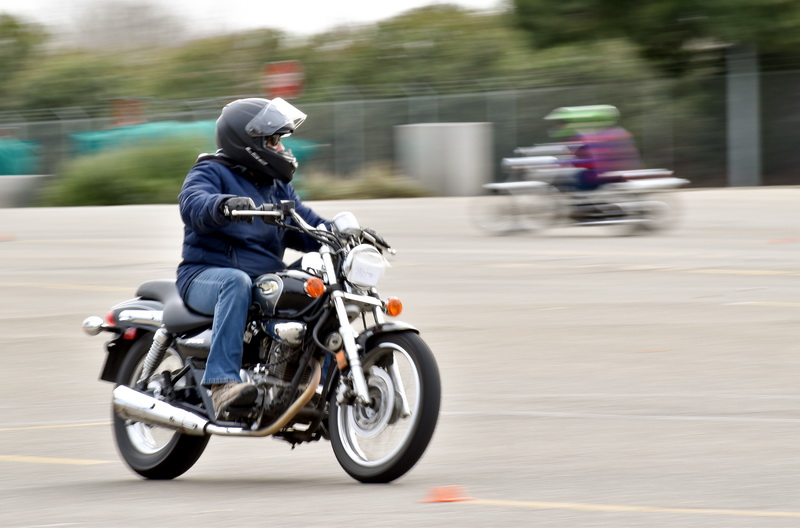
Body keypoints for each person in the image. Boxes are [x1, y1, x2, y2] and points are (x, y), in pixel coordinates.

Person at [176, 97, 329, 417]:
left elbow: (307, 224)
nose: (281, 148)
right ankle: (222, 384)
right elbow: (192, 203)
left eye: (279, 141)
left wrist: (344, 234)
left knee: (323, 284)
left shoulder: (276, 186)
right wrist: (222, 205)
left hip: (262, 275)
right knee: (236, 282)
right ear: (249, 142)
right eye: (273, 140)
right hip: (206, 273)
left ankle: (310, 385)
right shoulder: (210, 170)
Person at [543, 105, 642, 191]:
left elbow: (592, 160)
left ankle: (582, 206)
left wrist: (561, 163)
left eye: (562, 124)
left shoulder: (588, 136)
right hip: (620, 171)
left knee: (573, 179)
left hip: (603, 174)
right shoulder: (619, 132)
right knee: (577, 176)